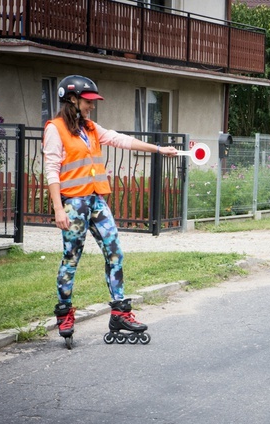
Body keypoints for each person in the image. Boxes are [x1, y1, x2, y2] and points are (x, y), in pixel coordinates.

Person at [42, 75, 178, 348]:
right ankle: (65, 313)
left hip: (96, 201)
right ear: (72, 99)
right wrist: (58, 209)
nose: (92, 106)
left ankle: (119, 312)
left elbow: (119, 140)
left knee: (115, 252)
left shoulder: (90, 128)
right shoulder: (55, 129)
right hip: (73, 204)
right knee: (71, 258)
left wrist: (158, 149)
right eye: (88, 101)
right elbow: (52, 170)